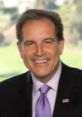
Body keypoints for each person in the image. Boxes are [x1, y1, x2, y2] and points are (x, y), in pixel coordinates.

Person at [0, 9, 82, 117]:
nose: (39, 52)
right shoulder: (4, 93)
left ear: (60, 45)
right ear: (20, 49)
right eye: (30, 44)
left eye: (47, 42)